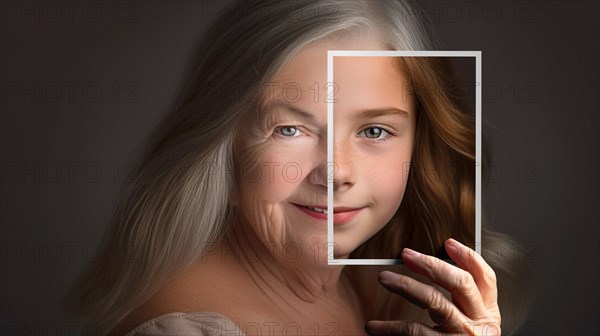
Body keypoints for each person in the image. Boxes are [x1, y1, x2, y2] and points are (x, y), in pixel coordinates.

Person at [66, 1, 530, 335]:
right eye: (291, 130)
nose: (336, 173)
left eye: (374, 132)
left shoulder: (372, 283)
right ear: (222, 153)